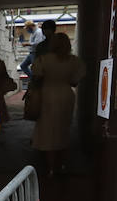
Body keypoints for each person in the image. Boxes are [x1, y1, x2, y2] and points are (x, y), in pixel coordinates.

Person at [31, 31, 85, 179]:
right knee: (63, 129)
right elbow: (74, 81)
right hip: (66, 95)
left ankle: (50, 168)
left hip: (47, 95)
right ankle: (62, 164)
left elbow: (36, 78)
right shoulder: (74, 61)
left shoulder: (43, 60)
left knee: (48, 131)